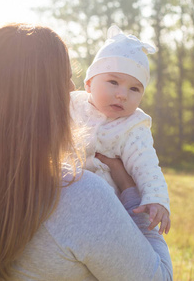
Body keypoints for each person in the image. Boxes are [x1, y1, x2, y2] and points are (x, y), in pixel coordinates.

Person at [0, 23, 172, 280]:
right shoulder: (79, 195)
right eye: (65, 79)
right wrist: (130, 190)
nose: (73, 89)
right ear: (41, 99)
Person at [70, 25, 171, 234]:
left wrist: (157, 199)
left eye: (134, 88)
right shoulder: (72, 104)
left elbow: (147, 165)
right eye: (113, 82)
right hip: (63, 195)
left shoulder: (133, 126)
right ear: (89, 83)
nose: (122, 94)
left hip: (107, 209)